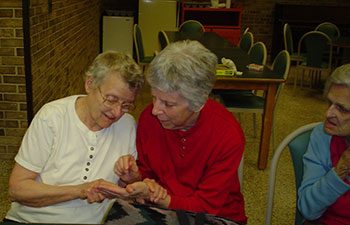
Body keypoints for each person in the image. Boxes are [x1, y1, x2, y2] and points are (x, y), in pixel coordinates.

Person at [3, 51, 157, 224]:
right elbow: (17, 189)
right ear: (89, 84)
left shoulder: (127, 125)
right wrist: (80, 191)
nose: (117, 112)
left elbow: (124, 192)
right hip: (32, 220)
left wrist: (130, 179)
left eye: (126, 105)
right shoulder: (52, 117)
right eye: (111, 99)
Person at [109, 40, 247, 223]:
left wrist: (159, 197)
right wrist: (135, 177)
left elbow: (206, 206)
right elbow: (148, 171)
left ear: (197, 103)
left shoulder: (227, 135)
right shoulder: (150, 120)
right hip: (162, 209)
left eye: (168, 104)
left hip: (215, 216)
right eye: (154, 97)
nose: (155, 110)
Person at [298, 64, 350, 225]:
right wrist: (341, 168)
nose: (328, 114)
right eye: (329, 103)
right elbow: (308, 208)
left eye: (342, 109)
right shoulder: (322, 136)